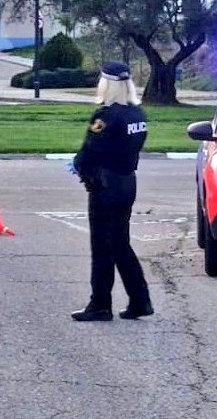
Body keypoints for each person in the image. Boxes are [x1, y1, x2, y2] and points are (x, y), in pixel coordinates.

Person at [71, 60, 153, 322]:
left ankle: (100, 305)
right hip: (127, 182)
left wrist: (79, 167)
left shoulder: (106, 116)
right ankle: (140, 301)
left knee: (102, 246)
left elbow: (89, 151)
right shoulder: (138, 115)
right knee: (120, 244)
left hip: (104, 185)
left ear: (106, 84)